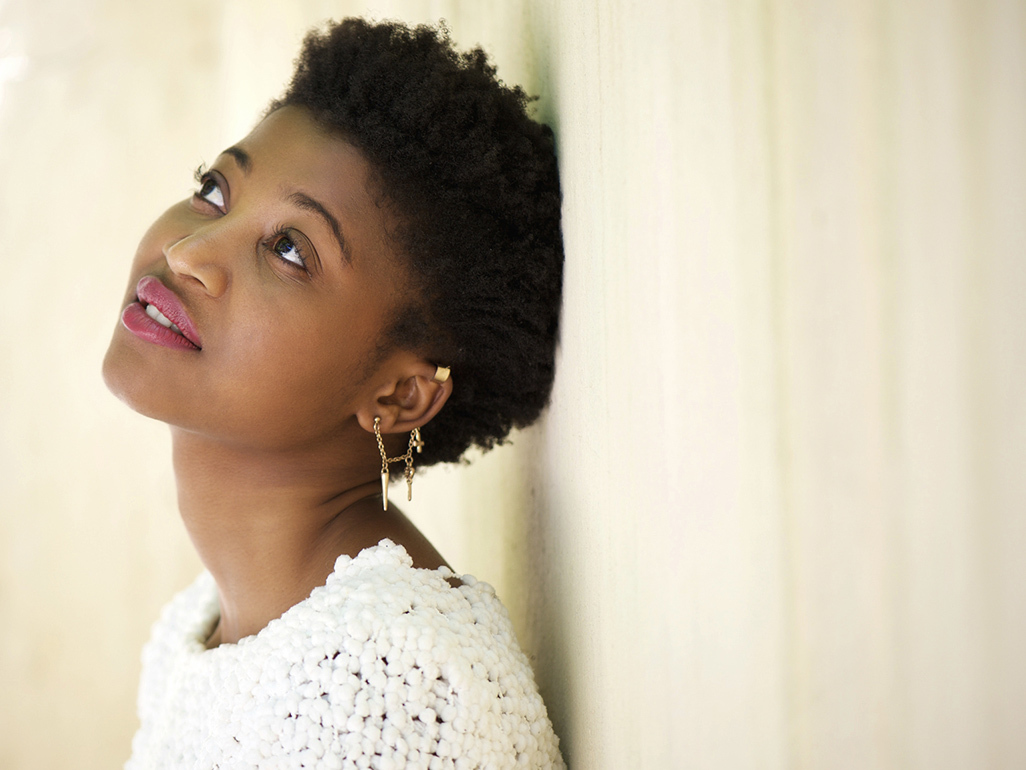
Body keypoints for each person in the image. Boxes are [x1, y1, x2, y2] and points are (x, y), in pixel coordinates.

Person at [102, 17, 564, 769]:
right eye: (214, 191)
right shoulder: (204, 627)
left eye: (290, 250)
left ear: (400, 397)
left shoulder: (398, 685)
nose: (188, 253)